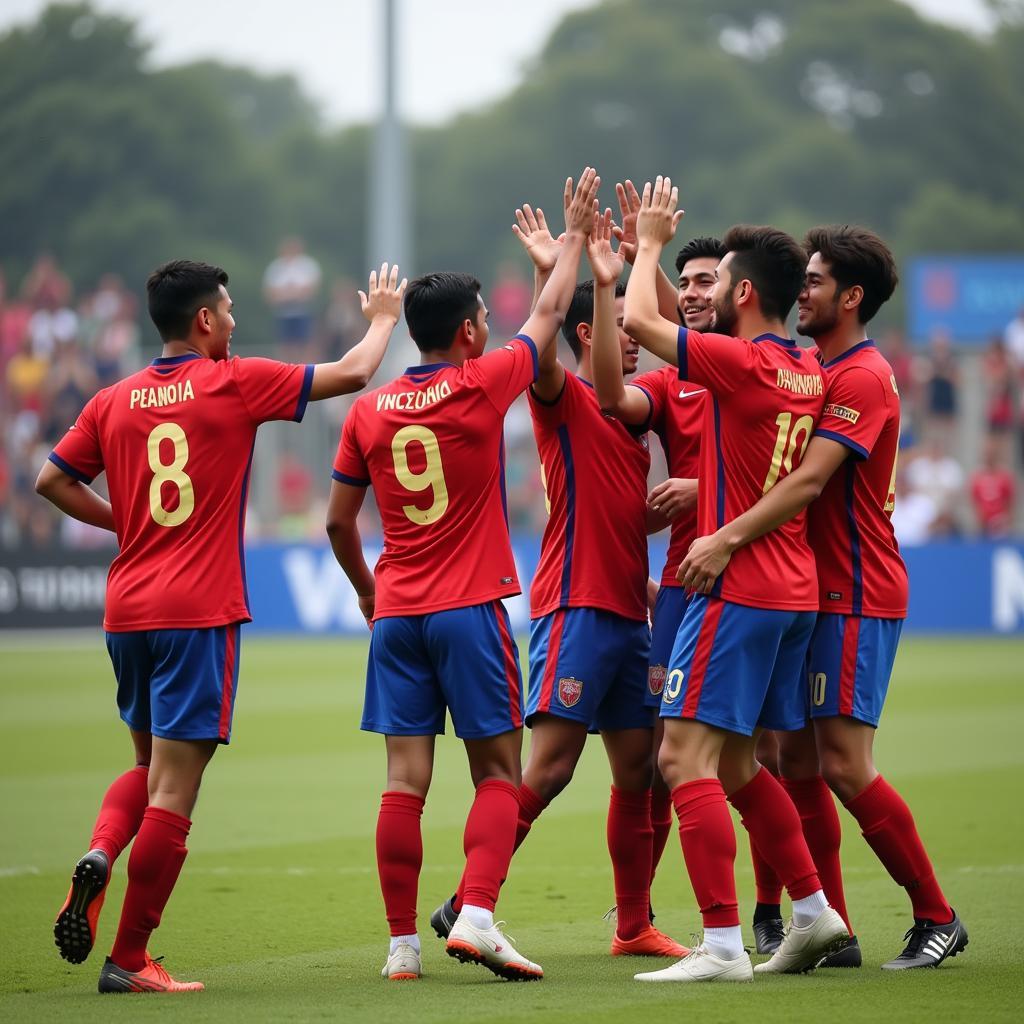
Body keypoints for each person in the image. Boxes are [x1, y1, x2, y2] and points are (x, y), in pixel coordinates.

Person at [37, 257, 406, 993]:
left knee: (147, 768)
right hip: (196, 612)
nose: (235, 322)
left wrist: (126, 523)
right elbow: (355, 373)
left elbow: (51, 479)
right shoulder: (234, 381)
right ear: (203, 321)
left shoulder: (111, 399)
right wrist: (385, 316)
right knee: (177, 789)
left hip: (127, 608)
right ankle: (131, 958)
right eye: (230, 311)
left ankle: (103, 852)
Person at [326, 169, 601, 983]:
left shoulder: (368, 412)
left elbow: (339, 524)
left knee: (402, 784)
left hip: (399, 613)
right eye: (486, 318)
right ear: (472, 333)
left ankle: (401, 948)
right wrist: (574, 240)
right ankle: (477, 912)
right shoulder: (482, 385)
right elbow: (551, 316)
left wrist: (370, 595)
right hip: (470, 607)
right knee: (497, 773)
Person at [680, 224, 968, 970]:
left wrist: (726, 533)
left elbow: (808, 480)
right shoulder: (814, 367)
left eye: (815, 282)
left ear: (851, 296)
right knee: (794, 761)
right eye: (799, 279)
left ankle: (937, 915)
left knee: (842, 762)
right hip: (810, 586)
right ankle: (828, 929)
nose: (802, 292)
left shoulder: (862, 377)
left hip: (855, 586)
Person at [624, 177, 846, 983]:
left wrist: (646, 242)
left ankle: (720, 945)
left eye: (715, 282)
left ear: (744, 292)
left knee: (682, 758)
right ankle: (817, 911)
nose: (703, 295)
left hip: (739, 585)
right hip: (792, 588)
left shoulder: (741, 363)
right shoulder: (807, 370)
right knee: (744, 764)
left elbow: (646, 326)